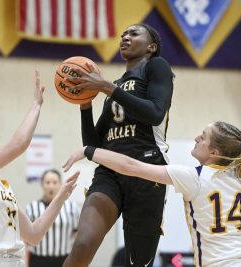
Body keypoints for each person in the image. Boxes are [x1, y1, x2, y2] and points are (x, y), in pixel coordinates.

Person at [64, 121, 241, 267]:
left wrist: (89, 151)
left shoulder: (194, 177)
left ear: (214, 152)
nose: (197, 138)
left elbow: (130, 166)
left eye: (203, 137)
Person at [63, 23, 174, 267]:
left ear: (151, 46)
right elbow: (93, 145)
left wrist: (105, 87)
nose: (125, 36)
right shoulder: (117, 84)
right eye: (123, 33)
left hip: (147, 170)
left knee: (137, 263)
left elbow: (155, 113)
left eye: (134, 33)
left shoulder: (157, 66)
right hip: (109, 173)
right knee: (82, 245)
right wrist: (85, 104)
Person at [0, 70, 79, 267]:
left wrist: (61, 197)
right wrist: (36, 105)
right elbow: (18, 144)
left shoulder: (3, 187)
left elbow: (34, 234)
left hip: (13, 262)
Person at [25, 169, 80, 267]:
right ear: (42, 184)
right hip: (38, 260)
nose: (51, 186)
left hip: (64, 260)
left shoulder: (72, 207)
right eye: (47, 182)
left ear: (60, 185)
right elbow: (25, 241)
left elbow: (77, 236)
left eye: (55, 182)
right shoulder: (32, 208)